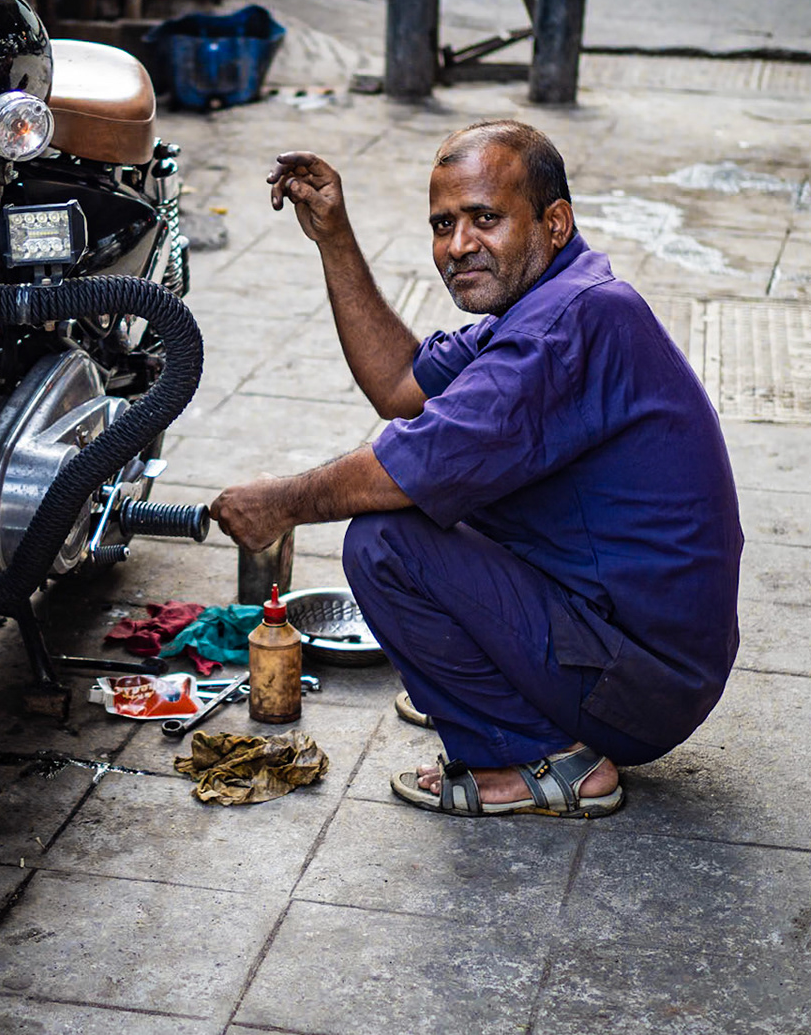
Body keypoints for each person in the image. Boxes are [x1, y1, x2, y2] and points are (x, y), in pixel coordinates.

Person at [209, 122, 742, 818]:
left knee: (385, 540)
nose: (459, 246)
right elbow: (401, 383)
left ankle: (532, 757)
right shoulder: (553, 299)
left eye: (484, 219)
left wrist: (280, 503)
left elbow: (399, 473)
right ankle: (502, 699)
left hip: (639, 688)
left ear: (554, 222)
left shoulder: (558, 333)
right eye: (443, 224)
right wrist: (334, 237)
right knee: (437, 495)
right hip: (641, 659)